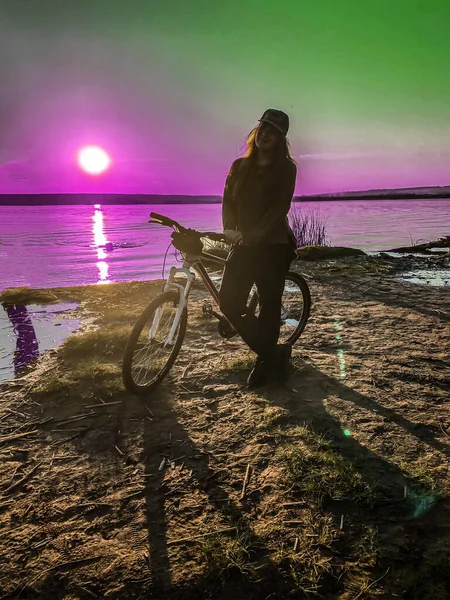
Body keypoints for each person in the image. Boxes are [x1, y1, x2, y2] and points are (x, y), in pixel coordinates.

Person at [219, 108, 298, 388]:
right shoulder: (240, 166)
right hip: (242, 243)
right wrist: (229, 229)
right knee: (228, 301)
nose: (265, 134)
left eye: (273, 131)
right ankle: (273, 354)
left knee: (269, 305)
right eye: (263, 128)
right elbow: (228, 200)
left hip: (273, 246)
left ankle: (264, 362)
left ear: (281, 139)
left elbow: (280, 208)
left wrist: (253, 235)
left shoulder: (287, 168)